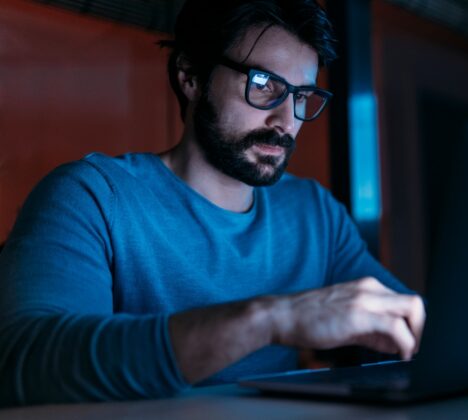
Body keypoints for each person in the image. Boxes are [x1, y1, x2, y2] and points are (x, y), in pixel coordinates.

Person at [0, 0, 425, 406]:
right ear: (191, 76)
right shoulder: (92, 196)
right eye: (263, 85)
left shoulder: (313, 213)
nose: (287, 122)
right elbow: (25, 360)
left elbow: (409, 327)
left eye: (301, 96)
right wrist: (271, 319)